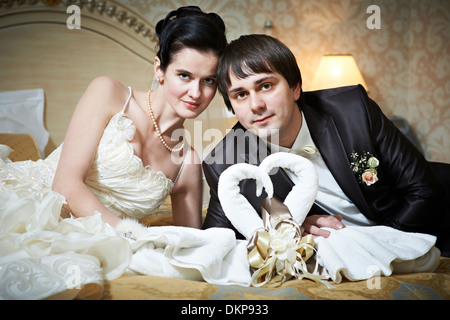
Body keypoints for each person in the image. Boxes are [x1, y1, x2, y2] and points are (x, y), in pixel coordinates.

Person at [0, 6, 231, 299]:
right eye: (184, 75)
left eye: (208, 80)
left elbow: (190, 247)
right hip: (31, 203)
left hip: (95, 240)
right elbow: (65, 186)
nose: (196, 93)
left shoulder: (188, 163)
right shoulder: (109, 93)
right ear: (159, 69)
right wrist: (133, 236)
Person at [202, 34, 449, 256]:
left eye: (265, 86)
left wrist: (379, 248)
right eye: (241, 95)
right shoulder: (225, 162)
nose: (255, 105)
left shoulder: (353, 109)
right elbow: (222, 242)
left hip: (421, 235)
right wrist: (293, 230)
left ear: (295, 87)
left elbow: (424, 191)